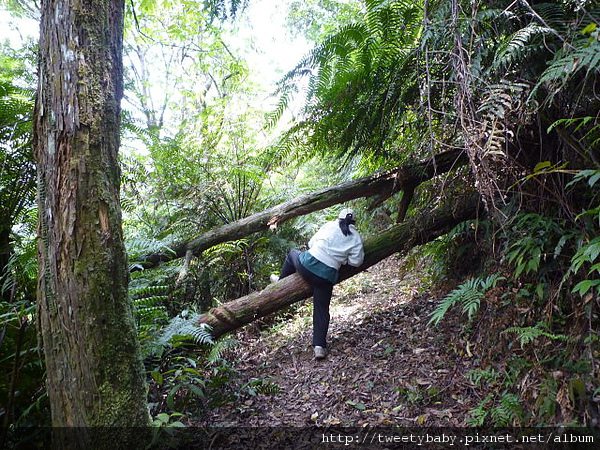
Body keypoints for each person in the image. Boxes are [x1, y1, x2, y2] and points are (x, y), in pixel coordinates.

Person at [271, 208, 364, 359]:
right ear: (354, 222)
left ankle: (280, 283)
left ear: (339, 219)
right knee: (322, 309)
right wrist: (343, 259)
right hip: (325, 278)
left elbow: (311, 243)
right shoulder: (356, 237)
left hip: (307, 266)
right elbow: (357, 262)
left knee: (293, 253)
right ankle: (319, 347)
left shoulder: (329, 225)